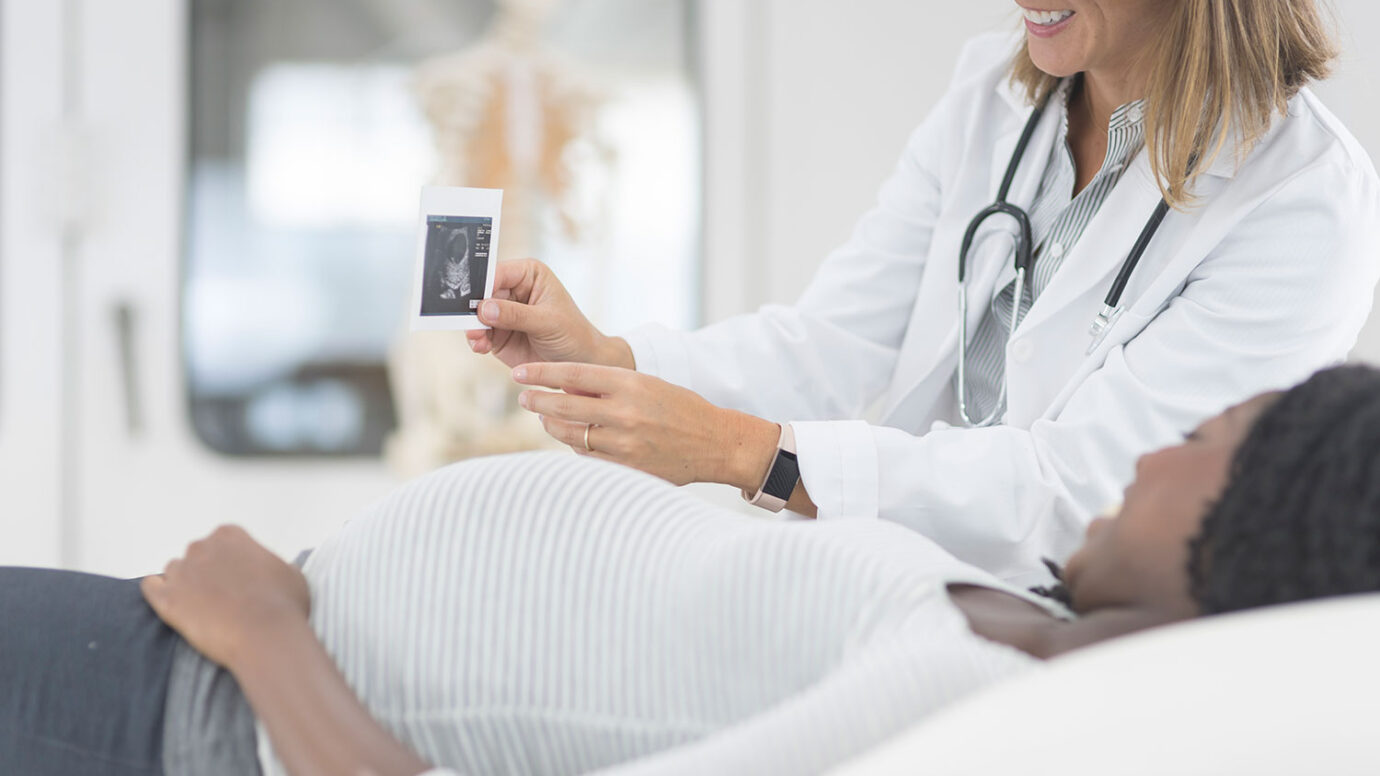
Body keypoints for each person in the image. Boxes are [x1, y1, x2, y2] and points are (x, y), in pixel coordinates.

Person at [4, 365, 1380, 775]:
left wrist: (265, 633)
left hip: (190, 715)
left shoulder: (953, 696)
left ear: (1255, 533)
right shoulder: (1016, 622)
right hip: (194, 672)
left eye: (1201, 439)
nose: (1146, 457)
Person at [465, 0, 1380, 585]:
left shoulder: (1302, 200)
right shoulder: (993, 93)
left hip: (1054, 638)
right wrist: (612, 359)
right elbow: (832, 343)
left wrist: (757, 457)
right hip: (882, 585)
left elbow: (1084, 500)